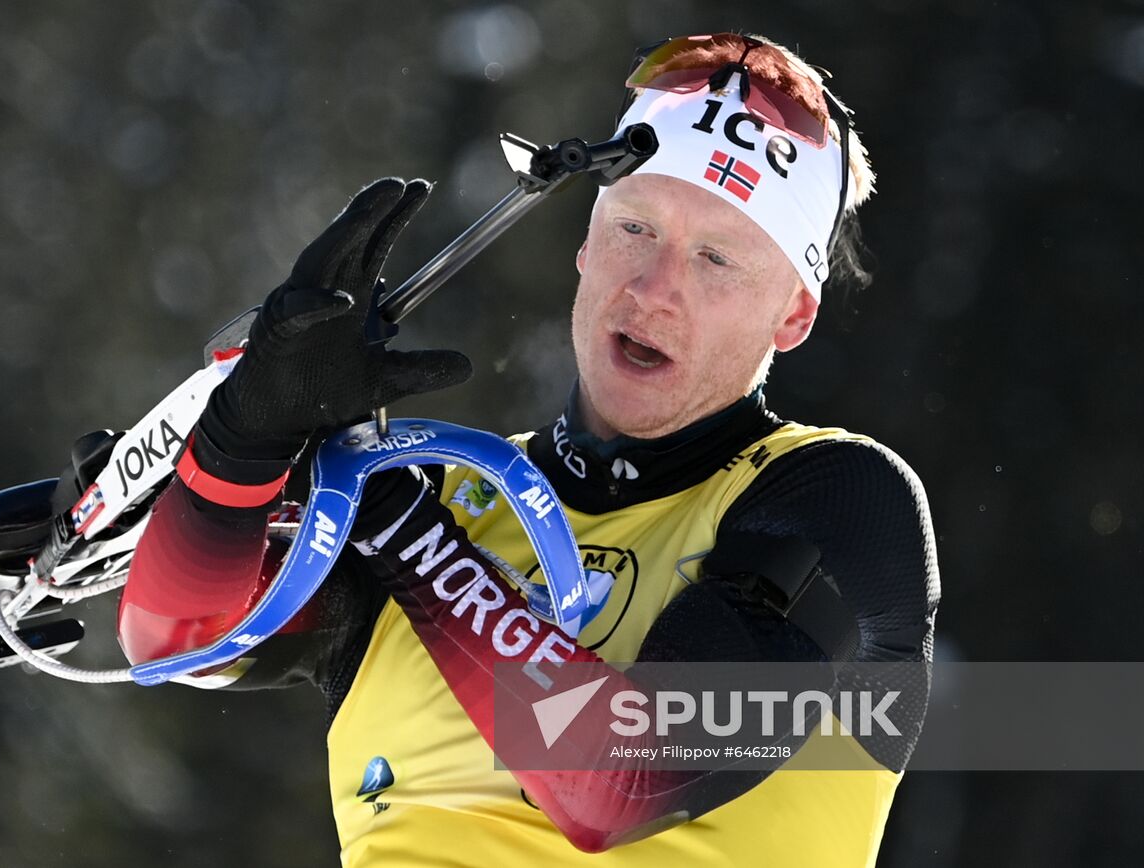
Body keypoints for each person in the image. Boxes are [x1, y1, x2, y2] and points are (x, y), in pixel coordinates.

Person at [114, 32, 939, 866]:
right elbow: (178, 638)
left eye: (717, 257)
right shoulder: (448, 496)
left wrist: (400, 521)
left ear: (793, 315)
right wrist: (243, 440)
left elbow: (620, 780)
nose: (653, 289)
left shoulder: (838, 497)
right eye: (636, 229)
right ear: (586, 243)